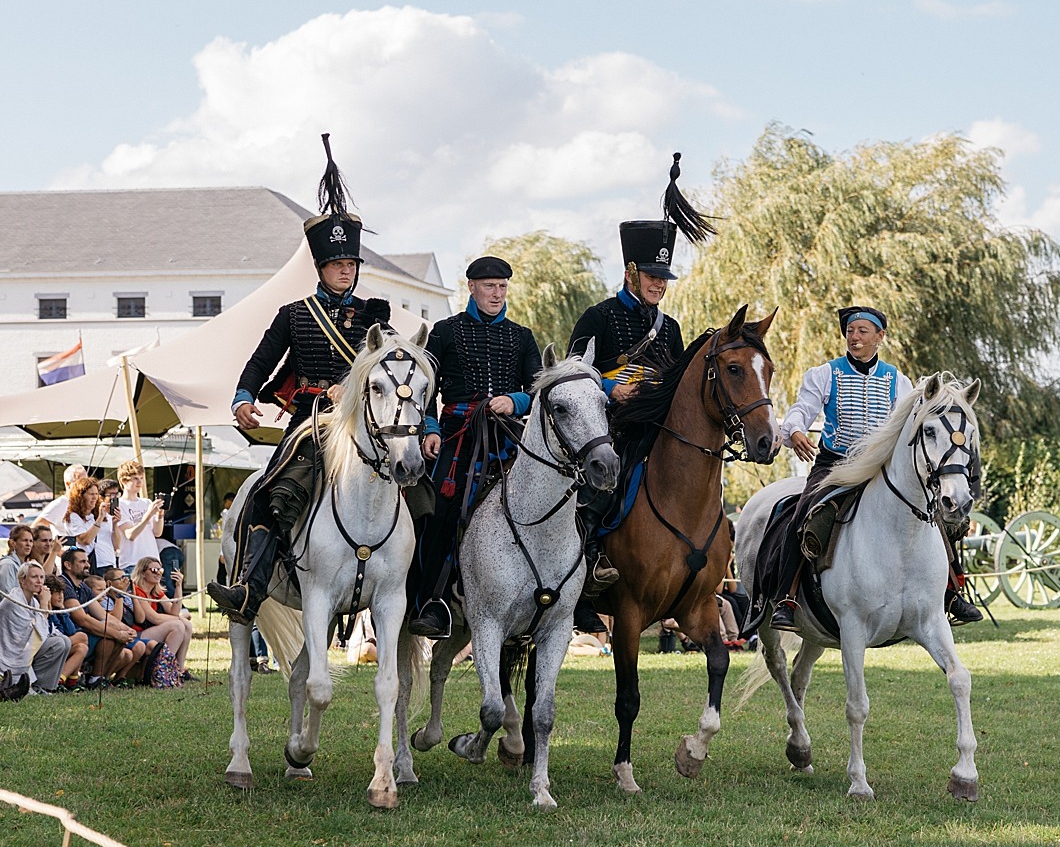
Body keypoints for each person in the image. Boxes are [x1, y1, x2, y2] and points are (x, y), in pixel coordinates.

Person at [208, 135, 392, 625]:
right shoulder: (295, 314)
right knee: (274, 493)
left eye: (351, 263)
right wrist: (243, 397)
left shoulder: (375, 314)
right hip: (309, 423)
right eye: (337, 263)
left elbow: (389, 364)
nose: (345, 270)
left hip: (362, 422)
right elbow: (259, 362)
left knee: (416, 489)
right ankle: (250, 586)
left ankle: (420, 594)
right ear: (321, 266)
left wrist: (352, 388)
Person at [567, 153, 714, 632]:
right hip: (606, 429)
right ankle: (586, 572)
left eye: (664, 278)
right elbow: (574, 376)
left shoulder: (668, 327)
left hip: (656, 429)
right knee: (595, 489)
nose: (659, 285)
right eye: (652, 276)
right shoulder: (598, 317)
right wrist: (613, 387)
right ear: (631, 272)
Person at [407, 255, 542, 639]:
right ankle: (431, 603)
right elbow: (424, 388)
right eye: (489, 286)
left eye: (502, 287)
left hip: (507, 434)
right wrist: (430, 428)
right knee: (440, 510)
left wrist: (514, 401)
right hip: (455, 435)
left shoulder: (522, 336)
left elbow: (536, 387)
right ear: (471, 287)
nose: (497, 293)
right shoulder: (444, 331)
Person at [764, 305, 918, 629]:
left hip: (878, 466)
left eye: (862, 331)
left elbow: (909, 425)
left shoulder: (898, 380)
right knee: (802, 513)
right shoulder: (825, 373)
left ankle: (951, 590)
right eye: (850, 331)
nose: (854, 337)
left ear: (880, 336)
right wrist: (794, 430)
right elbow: (802, 408)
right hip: (834, 463)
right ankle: (786, 599)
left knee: (925, 510)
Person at [59, 546, 136, 688]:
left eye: (87, 561)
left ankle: (100, 678)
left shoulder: (83, 587)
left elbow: (102, 615)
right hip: (69, 636)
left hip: (83, 635)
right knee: (112, 636)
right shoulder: (64, 584)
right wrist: (117, 634)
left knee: (117, 636)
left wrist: (127, 630)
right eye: (82, 562)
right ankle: (94, 679)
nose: (88, 565)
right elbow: (82, 619)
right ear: (68, 565)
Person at [0, 561, 70, 697]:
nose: (39, 581)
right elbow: (35, 634)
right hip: (11, 652)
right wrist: (44, 603)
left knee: (64, 641)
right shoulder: (14, 601)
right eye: (34, 577)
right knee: (58, 643)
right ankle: (27, 684)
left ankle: (44, 686)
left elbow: (43, 630)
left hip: (26, 647)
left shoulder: (33, 600)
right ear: (22, 580)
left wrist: (44, 605)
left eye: (42, 577)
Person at [133, 557, 195, 678]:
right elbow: (155, 618)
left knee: (186, 625)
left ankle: (179, 670)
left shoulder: (156, 591)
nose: (158, 573)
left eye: (160, 570)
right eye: (154, 570)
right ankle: (163, 669)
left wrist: (178, 586)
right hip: (136, 634)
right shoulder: (137, 590)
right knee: (177, 625)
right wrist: (180, 618)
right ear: (143, 572)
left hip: (150, 631)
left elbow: (174, 612)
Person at [113, 460, 163, 576]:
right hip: (132, 562)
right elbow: (130, 535)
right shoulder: (120, 504)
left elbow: (157, 532)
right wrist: (148, 515)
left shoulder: (146, 502)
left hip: (153, 560)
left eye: (141, 478)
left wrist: (160, 514)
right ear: (124, 481)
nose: (139, 482)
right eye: (135, 478)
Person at [59, 476, 104, 567]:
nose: (94, 497)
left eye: (96, 494)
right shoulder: (73, 516)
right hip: (79, 563)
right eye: (91, 494)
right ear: (81, 496)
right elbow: (85, 540)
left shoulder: (93, 516)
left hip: (99, 562)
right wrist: (100, 518)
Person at [31, 464, 87, 532]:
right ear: (68, 484)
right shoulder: (61, 503)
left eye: (86, 482)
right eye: (80, 482)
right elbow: (34, 528)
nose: (84, 486)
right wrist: (50, 541)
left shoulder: (87, 502)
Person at [0, 524, 34, 594]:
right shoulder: (7, 564)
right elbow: (7, 597)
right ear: (13, 543)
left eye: (31, 541)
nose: (28, 544)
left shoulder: (24, 566)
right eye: (25, 540)